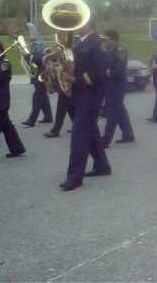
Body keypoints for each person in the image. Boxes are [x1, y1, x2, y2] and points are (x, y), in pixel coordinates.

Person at [60, 24, 111, 191]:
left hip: (91, 95)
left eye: (78, 22)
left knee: (79, 134)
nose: (74, 25)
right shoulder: (76, 43)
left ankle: (74, 177)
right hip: (79, 94)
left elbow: (100, 73)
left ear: (87, 23)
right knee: (91, 132)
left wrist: (75, 80)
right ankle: (102, 165)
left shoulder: (99, 42)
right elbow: (74, 64)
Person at [101, 28, 135, 147]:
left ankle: (105, 139)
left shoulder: (120, 50)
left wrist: (107, 72)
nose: (105, 41)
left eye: (107, 39)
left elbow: (119, 69)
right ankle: (128, 134)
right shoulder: (109, 50)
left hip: (117, 84)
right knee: (120, 110)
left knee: (112, 111)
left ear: (113, 39)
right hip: (111, 84)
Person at [22, 29, 53, 128]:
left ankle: (31, 120)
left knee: (37, 97)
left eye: (30, 34)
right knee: (42, 96)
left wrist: (29, 57)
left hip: (42, 74)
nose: (29, 36)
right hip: (39, 74)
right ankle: (48, 117)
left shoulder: (38, 45)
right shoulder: (35, 45)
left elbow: (40, 59)